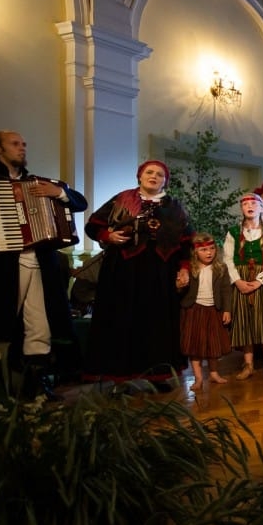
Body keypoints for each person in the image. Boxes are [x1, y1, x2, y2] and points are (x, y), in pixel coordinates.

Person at [0, 129, 87, 398]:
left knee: (40, 323)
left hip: (41, 263)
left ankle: (33, 391)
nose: (22, 148)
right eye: (15, 144)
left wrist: (59, 192)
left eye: (24, 144)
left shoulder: (38, 182)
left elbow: (79, 203)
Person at [84, 160, 192, 385]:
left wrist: (184, 268)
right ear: (140, 177)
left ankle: (157, 376)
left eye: (160, 174)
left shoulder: (174, 207)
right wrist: (108, 236)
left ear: (165, 180)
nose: (154, 176)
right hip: (123, 271)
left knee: (157, 323)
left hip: (161, 272)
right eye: (149, 172)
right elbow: (93, 226)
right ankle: (119, 377)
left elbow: (186, 241)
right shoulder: (121, 199)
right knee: (122, 320)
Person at [225, 192, 263, 379]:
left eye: (253, 203)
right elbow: (227, 259)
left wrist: (259, 281)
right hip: (241, 279)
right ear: (242, 208)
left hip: (262, 280)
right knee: (244, 322)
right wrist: (238, 281)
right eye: (245, 204)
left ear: (261, 207)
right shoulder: (233, 232)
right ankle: (248, 365)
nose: (249, 206)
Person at [179, 232, 232, 392]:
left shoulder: (220, 268)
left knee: (213, 345)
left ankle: (214, 373)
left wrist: (227, 310)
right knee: (195, 346)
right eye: (204, 250)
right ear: (195, 252)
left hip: (213, 310)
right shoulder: (190, 268)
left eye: (211, 249)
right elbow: (180, 288)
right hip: (194, 310)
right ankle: (198, 378)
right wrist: (179, 284)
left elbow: (226, 291)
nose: (209, 253)